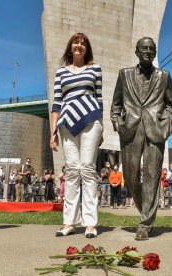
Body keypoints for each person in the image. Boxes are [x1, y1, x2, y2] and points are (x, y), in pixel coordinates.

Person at [111, 37, 172, 240]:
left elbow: (170, 104)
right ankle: (145, 210)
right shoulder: (124, 74)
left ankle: (145, 223)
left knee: (152, 177)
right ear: (137, 51)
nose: (147, 51)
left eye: (151, 49)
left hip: (156, 129)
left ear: (155, 53)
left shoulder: (164, 76)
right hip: (130, 129)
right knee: (130, 176)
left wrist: (167, 122)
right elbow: (116, 103)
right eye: (144, 48)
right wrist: (116, 122)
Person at [50, 33, 103, 239]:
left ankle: (90, 223)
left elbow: (99, 99)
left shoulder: (94, 69)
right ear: (70, 47)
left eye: (82, 43)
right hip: (67, 123)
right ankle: (69, 222)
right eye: (75, 42)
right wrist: (52, 132)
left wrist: (102, 127)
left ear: (86, 48)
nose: (79, 45)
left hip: (91, 121)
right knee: (72, 171)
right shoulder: (61, 72)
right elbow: (56, 103)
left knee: (88, 169)